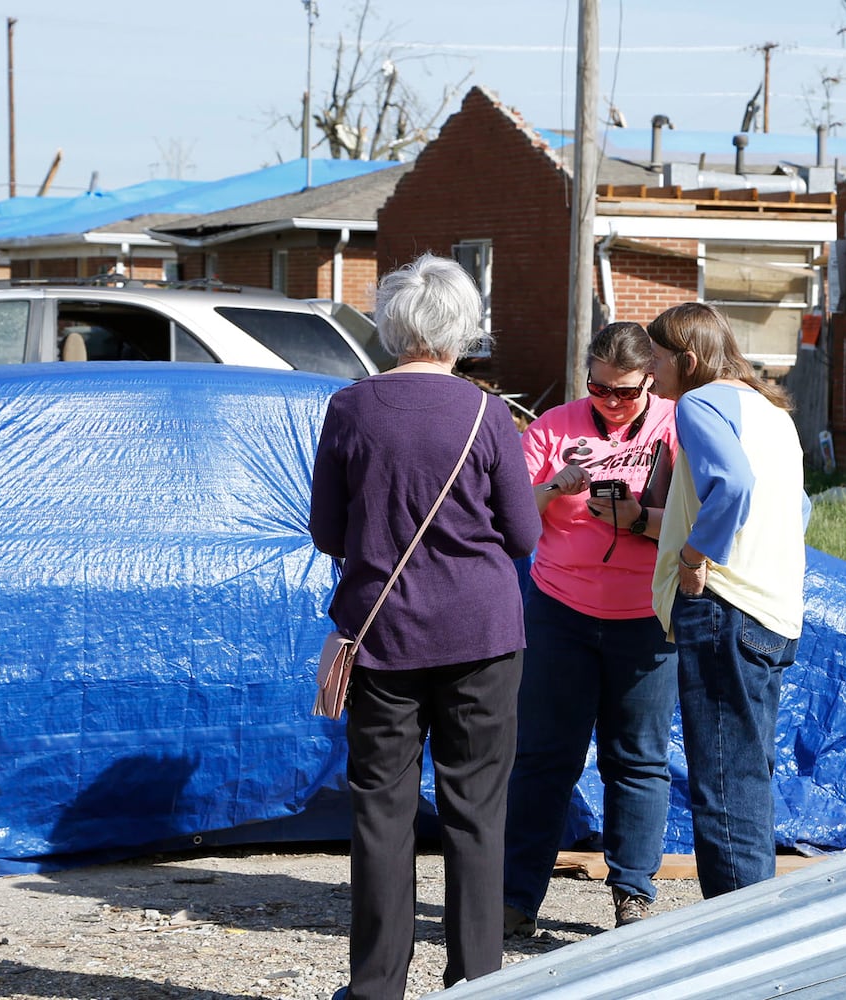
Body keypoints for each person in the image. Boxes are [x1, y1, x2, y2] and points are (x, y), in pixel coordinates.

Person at [309, 252, 541, 1000]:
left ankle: (376, 986)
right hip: (481, 630)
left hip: (381, 633)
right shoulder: (487, 412)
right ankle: (477, 980)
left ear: (389, 325)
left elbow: (326, 532)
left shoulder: (349, 408)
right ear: (462, 331)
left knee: (381, 809)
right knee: (476, 810)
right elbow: (523, 534)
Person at [504, 322, 680, 934]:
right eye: (598, 388)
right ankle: (515, 897)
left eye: (624, 393)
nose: (609, 402)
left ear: (650, 380)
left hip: (646, 620)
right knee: (543, 757)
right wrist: (555, 486)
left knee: (636, 760)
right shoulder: (554, 424)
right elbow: (509, 519)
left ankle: (633, 892)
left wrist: (637, 519)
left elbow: (703, 526)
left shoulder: (676, 424)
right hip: (561, 611)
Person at [644, 301, 809, 899]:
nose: (650, 374)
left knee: (721, 777)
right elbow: (799, 509)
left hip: (723, 603)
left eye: (658, 361)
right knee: (747, 773)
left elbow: (732, 484)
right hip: (773, 609)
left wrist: (694, 557)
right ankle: (754, 916)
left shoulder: (699, 402)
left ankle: (738, 932)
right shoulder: (772, 412)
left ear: (688, 360)